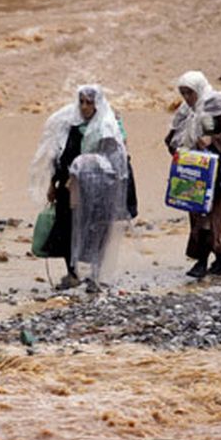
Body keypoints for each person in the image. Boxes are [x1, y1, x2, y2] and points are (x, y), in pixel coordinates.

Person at [29, 85, 134, 292]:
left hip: (96, 188)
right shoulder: (71, 124)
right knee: (66, 228)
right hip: (68, 188)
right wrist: (53, 183)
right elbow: (60, 154)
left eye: (89, 103)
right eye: (82, 102)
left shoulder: (105, 127)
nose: (85, 107)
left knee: (95, 230)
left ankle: (95, 274)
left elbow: (114, 160)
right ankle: (73, 273)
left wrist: (84, 167)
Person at [165, 71, 221, 278]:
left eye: (189, 93)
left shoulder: (216, 104)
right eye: (183, 93)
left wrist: (213, 141)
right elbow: (172, 138)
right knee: (197, 216)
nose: (186, 97)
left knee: (211, 219)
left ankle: (202, 263)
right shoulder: (186, 112)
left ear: (199, 90)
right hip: (197, 172)